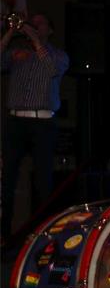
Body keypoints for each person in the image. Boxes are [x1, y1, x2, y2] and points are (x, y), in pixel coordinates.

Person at [1, 13, 69, 245]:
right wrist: (10, 32)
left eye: (40, 23)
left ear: (50, 30)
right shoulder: (17, 53)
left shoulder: (58, 55)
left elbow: (52, 69)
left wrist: (37, 41)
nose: (34, 25)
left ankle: (42, 235)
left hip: (43, 123)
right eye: (32, 22)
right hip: (15, 121)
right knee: (7, 179)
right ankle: (4, 235)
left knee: (42, 181)